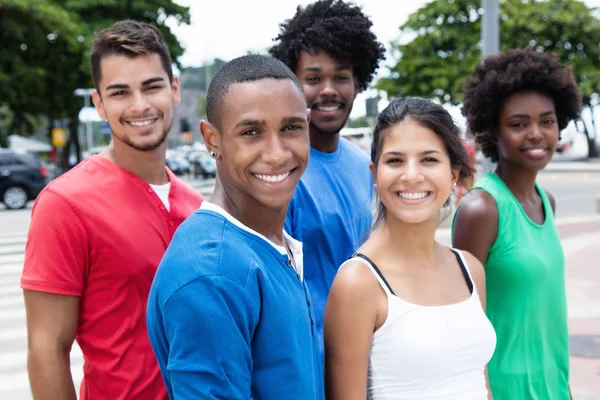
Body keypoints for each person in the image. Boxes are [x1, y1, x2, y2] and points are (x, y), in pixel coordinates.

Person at [21, 20, 203, 400]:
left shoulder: (198, 206)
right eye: (120, 92)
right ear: (99, 104)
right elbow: (47, 348)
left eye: (152, 86)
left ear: (173, 90)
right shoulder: (65, 203)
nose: (139, 105)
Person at [146, 55, 324, 400]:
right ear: (212, 139)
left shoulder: (264, 245)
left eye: (290, 128)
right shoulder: (214, 273)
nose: (276, 154)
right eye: (251, 132)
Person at [323, 97, 497, 400]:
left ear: (453, 173)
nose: (412, 175)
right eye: (395, 160)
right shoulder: (358, 282)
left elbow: (480, 384)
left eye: (429, 159)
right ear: (375, 174)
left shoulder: (470, 269)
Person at [452, 48, 582, 399]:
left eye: (547, 121)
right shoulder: (481, 208)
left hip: (552, 386)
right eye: (518, 124)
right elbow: (461, 321)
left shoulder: (547, 201)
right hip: (504, 388)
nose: (537, 133)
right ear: (493, 131)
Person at [269, 0, 386, 353]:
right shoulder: (279, 173)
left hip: (371, 357)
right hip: (311, 365)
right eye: (313, 78)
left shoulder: (364, 164)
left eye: (340, 77)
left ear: (358, 81)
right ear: (292, 82)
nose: (328, 90)